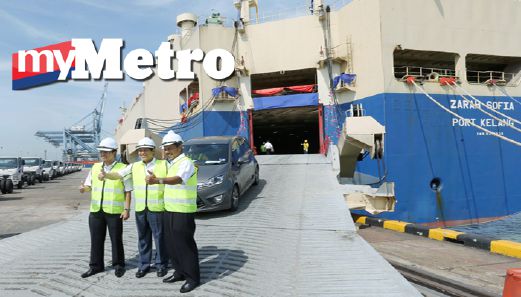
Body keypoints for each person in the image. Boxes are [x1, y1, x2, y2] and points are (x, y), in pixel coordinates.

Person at [100, 137, 169, 278]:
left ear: (152, 151)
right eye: (139, 150)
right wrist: (106, 175)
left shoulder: (164, 165)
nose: (142, 153)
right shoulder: (134, 166)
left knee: (160, 237)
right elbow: (119, 174)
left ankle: (161, 265)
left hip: (157, 209)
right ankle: (144, 265)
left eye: (145, 150)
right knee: (143, 238)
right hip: (141, 209)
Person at [153, 131, 200, 293]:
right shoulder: (170, 163)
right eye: (165, 148)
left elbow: (179, 179)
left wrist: (157, 180)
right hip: (169, 210)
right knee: (171, 245)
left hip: (183, 211)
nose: (167, 151)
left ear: (180, 147)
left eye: (170, 148)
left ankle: (192, 278)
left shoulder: (186, 162)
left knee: (185, 245)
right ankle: (179, 272)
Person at [79, 137, 132, 278]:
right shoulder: (95, 167)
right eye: (101, 152)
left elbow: (128, 191)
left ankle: (119, 265)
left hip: (114, 211)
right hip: (96, 211)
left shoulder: (123, 169)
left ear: (114, 152)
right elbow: (89, 186)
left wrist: (126, 209)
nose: (103, 154)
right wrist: (84, 189)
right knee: (96, 239)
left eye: (106, 152)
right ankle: (96, 266)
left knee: (116, 239)